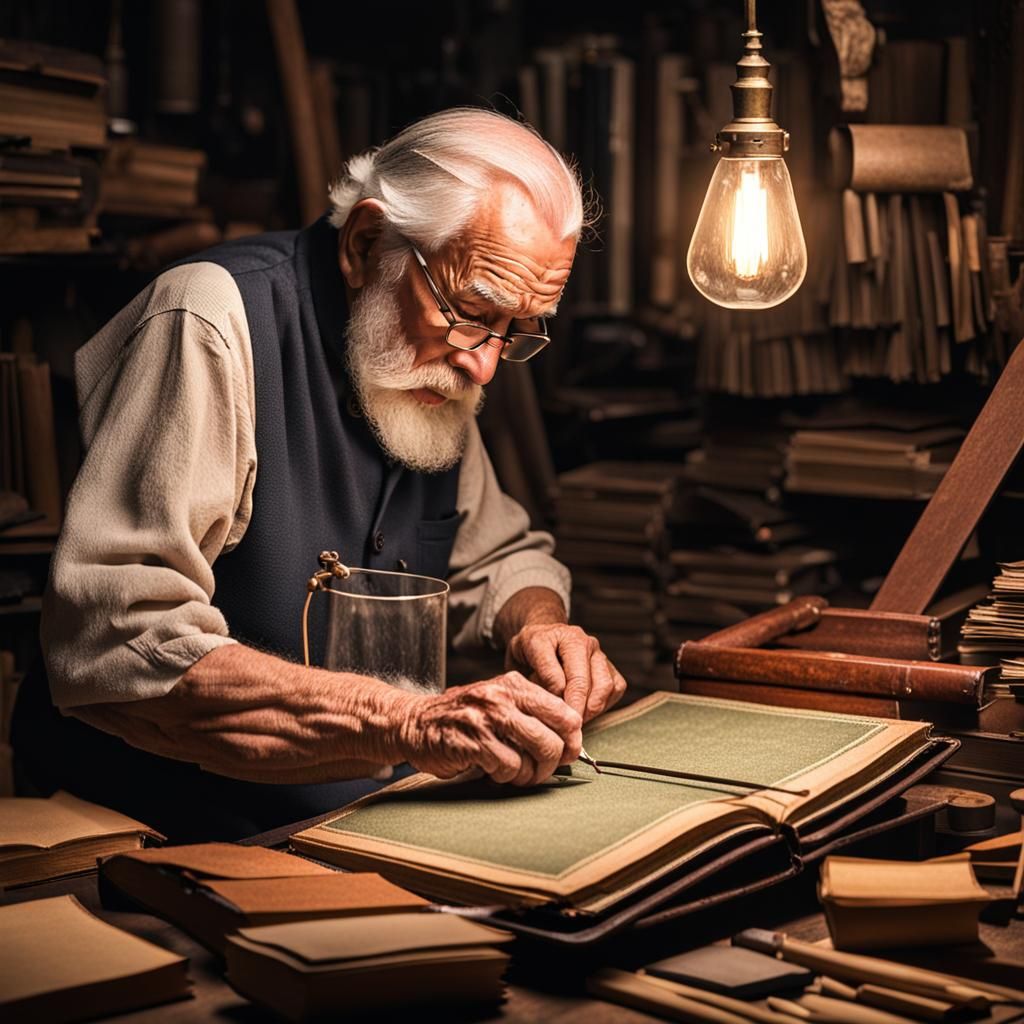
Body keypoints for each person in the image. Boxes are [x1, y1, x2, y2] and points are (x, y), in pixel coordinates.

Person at [15, 108, 627, 840]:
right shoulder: (212, 322)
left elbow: (495, 555)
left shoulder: (437, 361)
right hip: (157, 832)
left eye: (517, 330)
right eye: (469, 312)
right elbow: (120, 640)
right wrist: (405, 720)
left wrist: (540, 625)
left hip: (355, 825)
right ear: (366, 245)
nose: (485, 364)